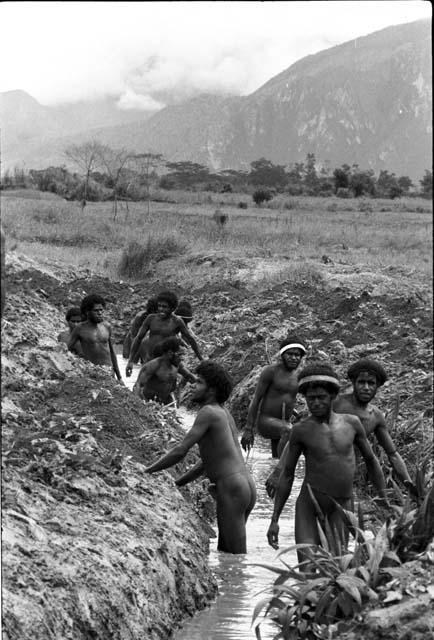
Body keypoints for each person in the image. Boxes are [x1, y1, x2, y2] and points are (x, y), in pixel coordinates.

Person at [266, 362, 388, 562]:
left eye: (321, 398)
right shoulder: (300, 430)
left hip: (340, 506)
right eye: (310, 399)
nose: (315, 403)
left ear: (332, 397)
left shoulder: (352, 424)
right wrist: (274, 519)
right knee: (307, 568)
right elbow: (288, 475)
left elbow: (371, 461)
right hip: (308, 507)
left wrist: (385, 503)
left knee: (335, 568)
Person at [145, 360, 256, 554]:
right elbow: (207, 462)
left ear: (211, 389)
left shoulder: (207, 412)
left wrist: (147, 471)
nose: (192, 386)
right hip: (245, 485)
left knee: (235, 557)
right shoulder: (224, 413)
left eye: (198, 382)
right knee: (227, 553)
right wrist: (178, 483)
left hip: (231, 487)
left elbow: (181, 451)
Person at [266, 357, 416, 498]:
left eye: (371, 383)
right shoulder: (336, 403)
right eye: (361, 382)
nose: (366, 388)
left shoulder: (375, 416)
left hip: (346, 477)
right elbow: (299, 434)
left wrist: (410, 486)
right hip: (318, 470)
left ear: (378, 386)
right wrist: (278, 470)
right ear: (353, 382)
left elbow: (393, 454)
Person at [240, 336, 306, 458]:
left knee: (277, 456)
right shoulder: (271, 371)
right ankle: (281, 469)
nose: (293, 358)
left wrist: (296, 414)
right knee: (289, 431)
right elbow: (256, 399)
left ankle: (274, 470)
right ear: (282, 355)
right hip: (266, 421)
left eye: (297, 355)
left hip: (284, 422)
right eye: (289, 354)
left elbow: (287, 398)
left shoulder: (298, 376)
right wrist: (248, 429)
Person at [126, 290, 203, 377]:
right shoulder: (151, 319)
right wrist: (130, 361)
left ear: (172, 308)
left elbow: (190, 339)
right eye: (159, 306)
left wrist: (200, 358)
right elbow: (138, 338)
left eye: (165, 307)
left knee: (189, 376)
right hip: (150, 359)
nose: (161, 309)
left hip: (169, 361)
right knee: (141, 385)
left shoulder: (177, 321)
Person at [67, 293, 122, 381]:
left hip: (109, 373)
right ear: (87, 312)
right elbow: (66, 351)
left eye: (101, 310)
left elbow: (112, 353)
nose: (100, 313)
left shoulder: (106, 326)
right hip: (93, 374)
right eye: (96, 311)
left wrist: (119, 377)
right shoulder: (80, 329)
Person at [133, 337, 197, 405]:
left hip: (166, 402)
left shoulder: (177, 365)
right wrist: (141, 405)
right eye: (179, 355)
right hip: (149, 402)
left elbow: (189, 376)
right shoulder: (153, 366)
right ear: (170, 353)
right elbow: (137, 386)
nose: (182, 358)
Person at [122, 297, 159, 362]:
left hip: (146, 342)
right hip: (132, 340)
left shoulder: (161, 317)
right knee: (130, 361)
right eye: (157, 310)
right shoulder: (140, 316)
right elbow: (134, 336)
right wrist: (133, 358)